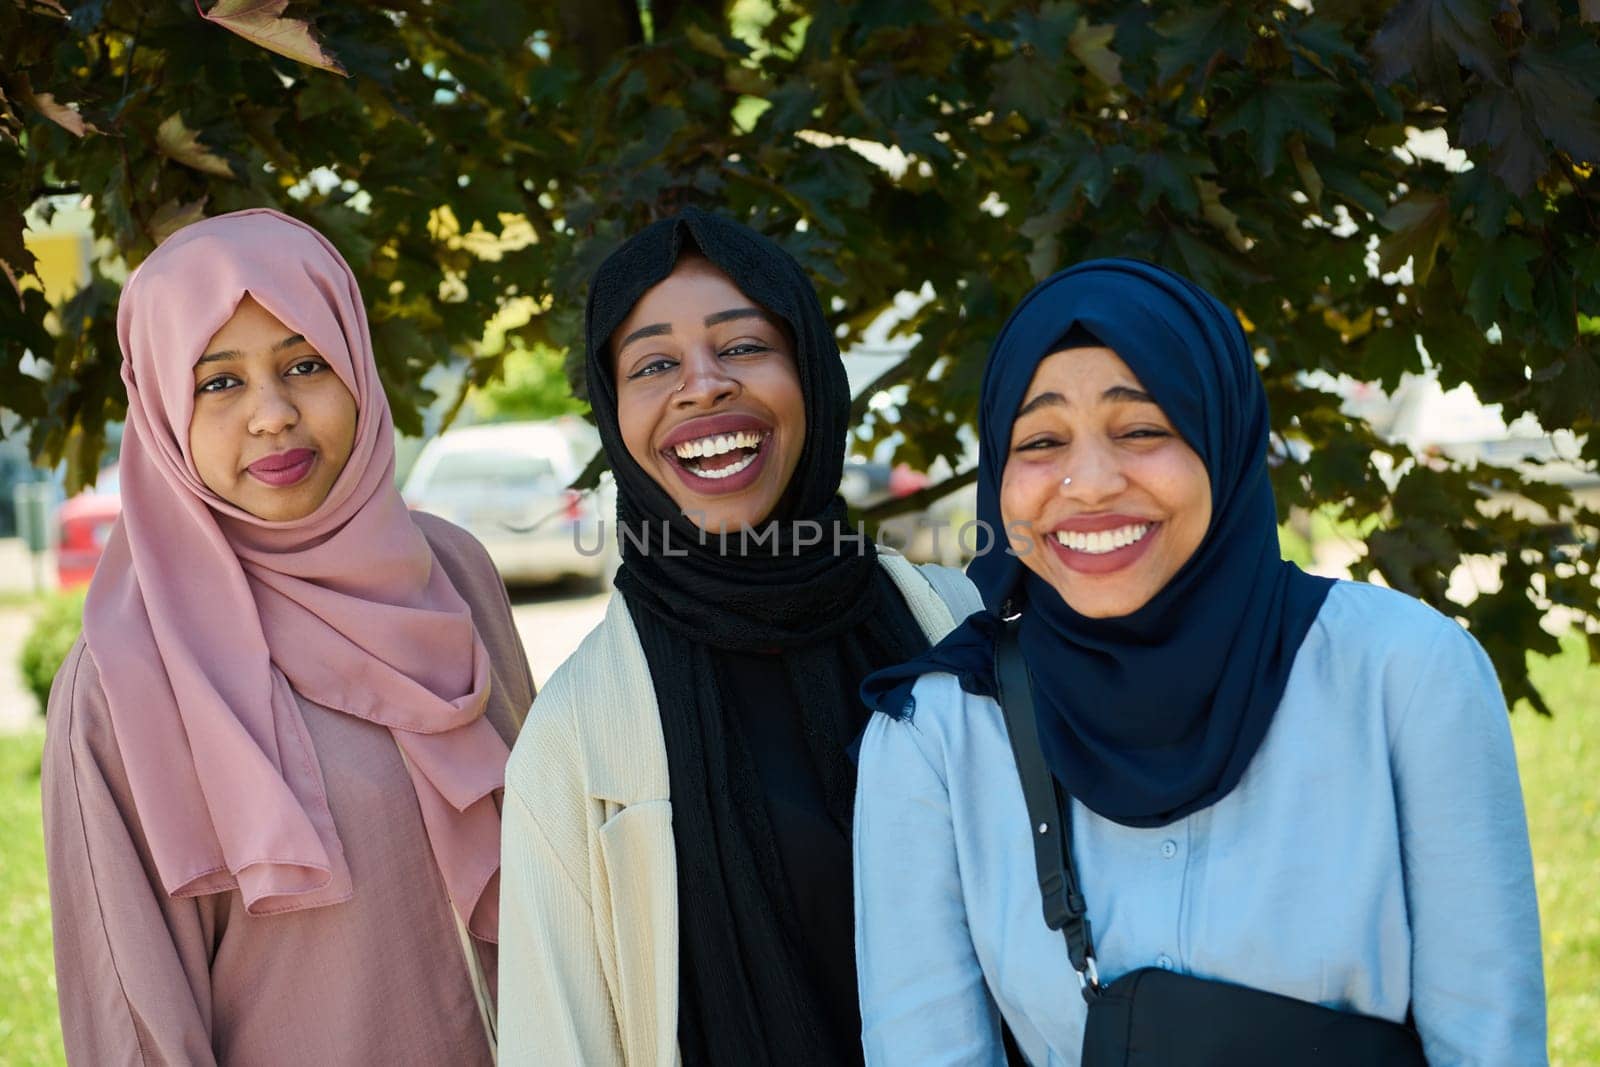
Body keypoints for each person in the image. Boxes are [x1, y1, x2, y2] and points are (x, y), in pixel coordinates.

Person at [853, 258, 1546, 1066]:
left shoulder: (1404, 674)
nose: (1088, 484)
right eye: (1040, 440)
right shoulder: (938, 734)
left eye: (1142, 429)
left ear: (1222, 435)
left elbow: (1490, 1043)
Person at [42, 209, 533, 1066]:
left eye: (305, 364)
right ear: (161, 408)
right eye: (218, 382)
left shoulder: (450, 568)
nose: (272, 414)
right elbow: (138, 1019)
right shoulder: (124, 675)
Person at [497, 208, 981, 1066]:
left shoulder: (957, 628)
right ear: (615, 415)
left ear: (814, 375)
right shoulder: (576, 737)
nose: (703, 383)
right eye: (653, 364)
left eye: (746, 345)